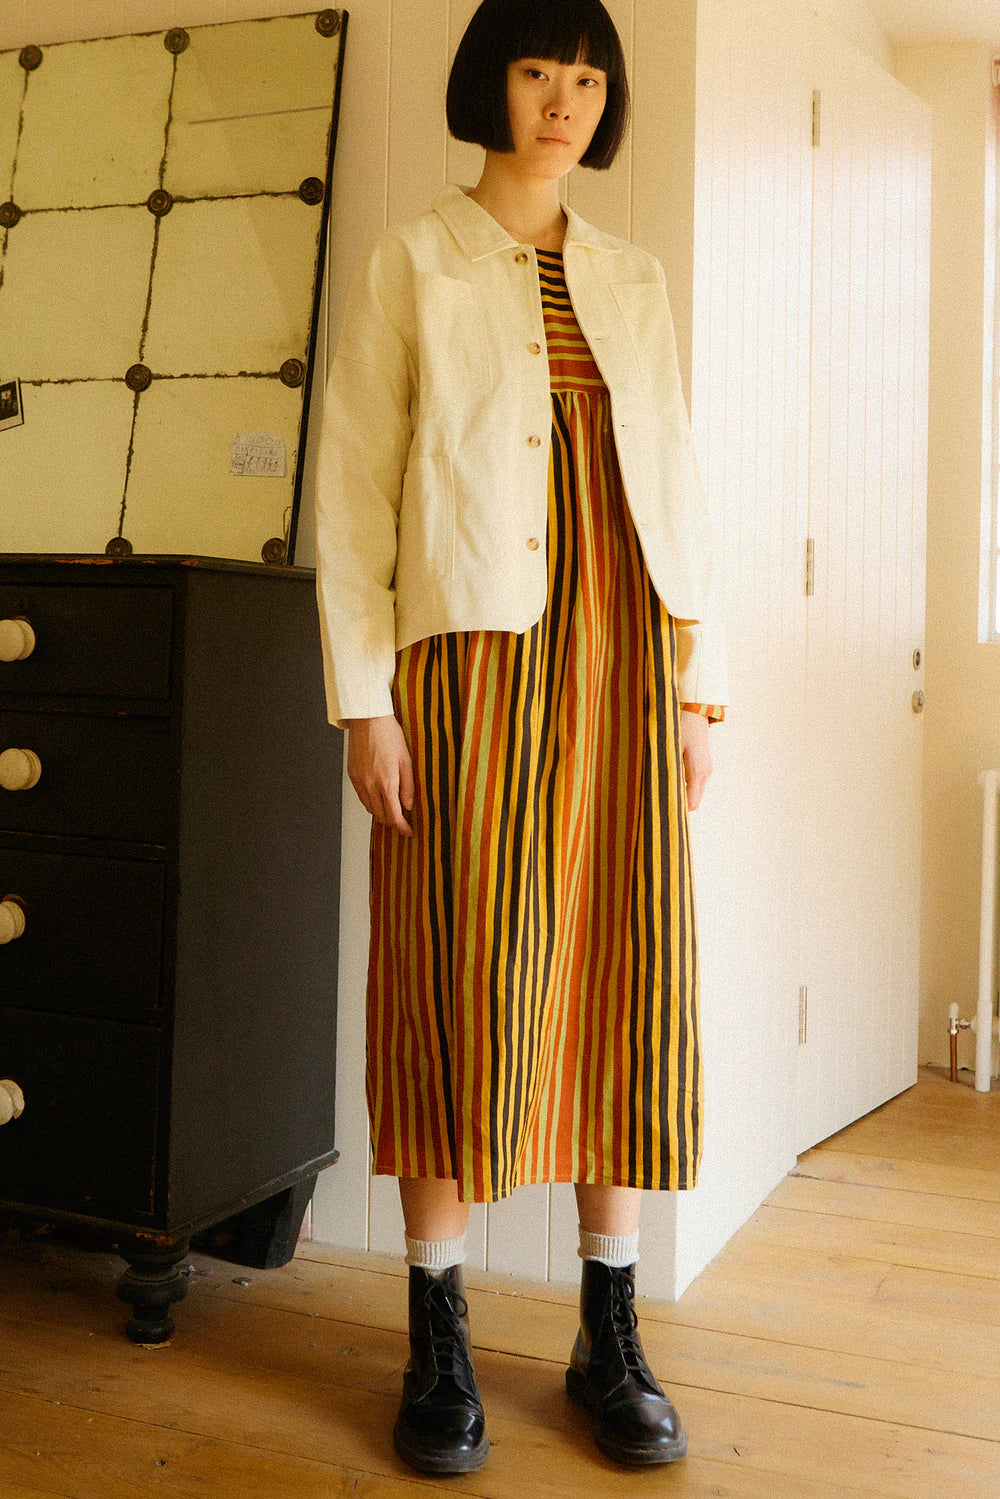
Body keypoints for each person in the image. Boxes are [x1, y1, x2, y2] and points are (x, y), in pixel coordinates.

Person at [314, 0, 728, 1475]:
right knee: (459, 972)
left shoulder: (632, 274)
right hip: (469, 666)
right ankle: (438, 1334)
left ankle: (607, 1330)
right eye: (540, 69)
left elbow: (674, 483)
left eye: (587, 76)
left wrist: (694, 686)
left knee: (623, 965)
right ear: (491, 82)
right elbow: (357, 490)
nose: (565, 98)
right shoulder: (414, 260)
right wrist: (365, 700)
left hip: (626, 659)